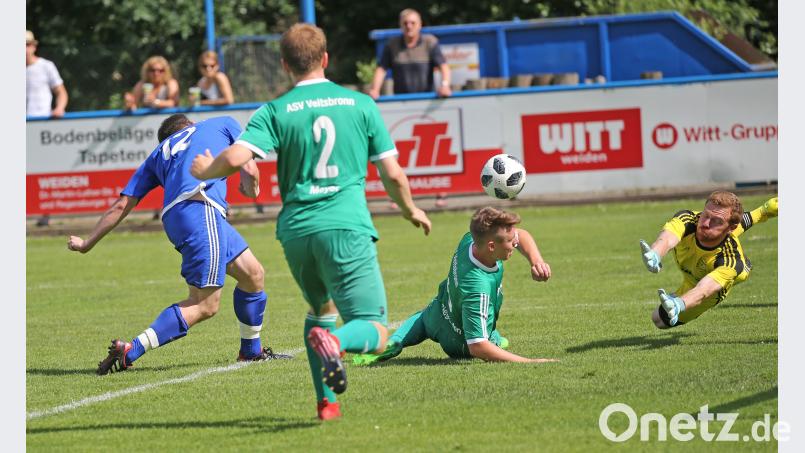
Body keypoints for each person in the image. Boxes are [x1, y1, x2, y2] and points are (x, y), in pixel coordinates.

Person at [190, 23, 432, 421]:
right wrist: (410, 210)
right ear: (325, 59)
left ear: (285, 64)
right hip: (345, 225)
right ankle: (334, 344)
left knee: (320, 308)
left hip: (297, 230)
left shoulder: (275, 109)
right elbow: (393, 174)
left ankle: (327, 403)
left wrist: (204, 171)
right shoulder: (360, 104)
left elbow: (235, 159)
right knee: (374, 331)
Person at [67, 113, 290, 375]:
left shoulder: (157, 154)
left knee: (253, 274)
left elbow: (121, 205)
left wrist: (87, 242)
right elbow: (249, 167)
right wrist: (251, 187)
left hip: (177, 216)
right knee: (205, 304)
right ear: (191, 125)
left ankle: (251, 352)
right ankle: (132, 349)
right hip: (201, 208)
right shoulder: (222, 123)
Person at [352, 207, 558, 365]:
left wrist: (536, 260)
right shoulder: (477, 287)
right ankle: (492, 338)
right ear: (492, 246)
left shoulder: (471, 241)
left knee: (425, 317)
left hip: (435, 314)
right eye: (510, 242)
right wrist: (530, 362)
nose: (515, 243)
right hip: (458, 343)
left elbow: (520, 235)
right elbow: (477, 346)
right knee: (490, 342)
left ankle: (394, 341)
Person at [639, 192, 778, 328]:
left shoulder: (731, 259)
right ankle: (765, 209)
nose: (705, 223)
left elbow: (703, 289)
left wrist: (679, 303)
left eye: (716, 221)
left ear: (731, 228)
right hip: (693, 271)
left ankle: (745, 266)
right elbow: (668, 237)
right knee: (719, 230)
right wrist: (655, 253)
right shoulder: (689, 219)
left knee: (659, 319)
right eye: (705, 215)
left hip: (710, 284)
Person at [368, 8, 452, 99]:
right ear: (400, 25)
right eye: (405, 23)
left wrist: (445, 86)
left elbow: (444, 66)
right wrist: (375, 90)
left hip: (427, 100)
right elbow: (381, 69)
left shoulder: (430, 42)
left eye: (413, 23)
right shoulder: (392, 45)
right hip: (401, 101)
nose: (409, 26)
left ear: (420, 25)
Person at [26, 30, 68, 118]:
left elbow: (61, 92)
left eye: (27, 44)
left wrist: (60, 108)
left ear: (34, 46)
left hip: (42, 121)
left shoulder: (46, 66)